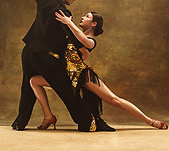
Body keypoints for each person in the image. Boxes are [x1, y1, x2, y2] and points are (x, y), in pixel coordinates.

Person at [30, 10, 168, 130]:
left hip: (83, 76)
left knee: (114, 100)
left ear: (94, 23)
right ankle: (48, 116)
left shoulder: (91, 41)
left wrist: (68, 23)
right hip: (67, 77)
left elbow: (84, 42)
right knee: (34, 81)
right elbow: (81, 53)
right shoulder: (75, 38)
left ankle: (150, 121)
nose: (83, 17)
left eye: (87, 16)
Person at [12, 0, 110, 132]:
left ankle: (20, 123)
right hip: (45, 57)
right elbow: (70, 35)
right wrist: (84, 50)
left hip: (28, 51)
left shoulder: (44, 0)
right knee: (67, 89)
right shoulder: (63, 12)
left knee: (28, 85)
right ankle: (87, 121)